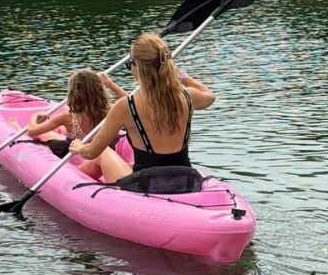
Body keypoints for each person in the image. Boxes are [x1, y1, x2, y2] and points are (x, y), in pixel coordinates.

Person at [69, 33, 215, 183]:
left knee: (104, 152)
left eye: (130, 64)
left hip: (146, 185)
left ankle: (73, 181)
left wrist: (79, 147)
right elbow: (210, 96)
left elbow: (91, 152)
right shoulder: (188, 96)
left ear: (138, 67)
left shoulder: (125, 106)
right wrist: (181, 75)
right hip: (185, 179)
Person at [12, 68, 126, 179]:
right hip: (93, 151)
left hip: (78, 154)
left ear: (73, 93)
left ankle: (17, 128)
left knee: (44, 134)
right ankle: (55, 132)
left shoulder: (68, 117)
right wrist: (110, 83)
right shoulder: (111, 110)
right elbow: (129, 101)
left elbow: (32, 132)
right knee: (54, 135)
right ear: (100, 89)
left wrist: (35, 116)